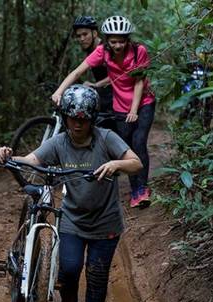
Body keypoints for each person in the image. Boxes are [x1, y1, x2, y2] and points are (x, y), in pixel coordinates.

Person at [0, 85, 142, 302]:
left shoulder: (106, 138)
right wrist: (7, 155)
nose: (77, 124)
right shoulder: (59, 142)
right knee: (70, 270)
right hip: (73, 220)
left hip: (106, 223)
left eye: (83, 119)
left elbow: (136, 162)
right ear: (65, 117)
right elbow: (32, 160)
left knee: (97, 275)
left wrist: (116, 163)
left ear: (92, 118)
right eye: (72, 118)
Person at [52, 15, 155, 209]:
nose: (117, 46)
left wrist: (134, 110)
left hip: (143, 102)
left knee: (139, 140)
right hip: (119, 106)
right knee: (126, 148)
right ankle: (134, 187)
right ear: (107, 40)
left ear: (128, 39)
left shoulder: (138, 51)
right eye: (113, 41)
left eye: (122, 41)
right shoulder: (102, 52)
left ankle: (140, 191)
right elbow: (77, 72)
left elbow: (140, 81)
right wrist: (59, 91)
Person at [72, 16, 113, 113]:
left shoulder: (105, 49)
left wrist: (95, 84)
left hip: (117, 99)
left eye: (85, 34)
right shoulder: (90, 49)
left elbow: (117, 74)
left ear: (94, 33)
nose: (82, 39)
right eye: (79, 36)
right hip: (105, 96)